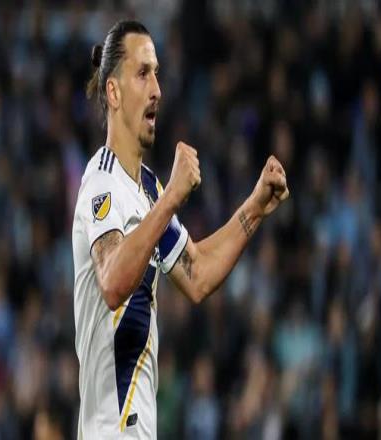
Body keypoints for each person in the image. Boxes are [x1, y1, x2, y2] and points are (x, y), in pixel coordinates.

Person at [71, 20, 289, 439]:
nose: (157, 89)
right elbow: (112, 282)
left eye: (157, 73)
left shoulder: (148, 190)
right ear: (113, 92)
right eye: (142, 73)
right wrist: (172, 197)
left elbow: (198, 273)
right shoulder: (101, 181)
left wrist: (256, 207)